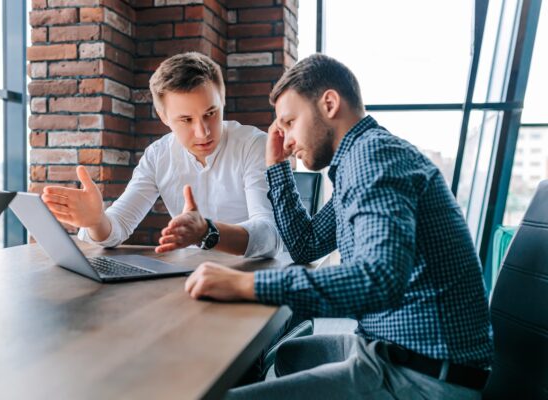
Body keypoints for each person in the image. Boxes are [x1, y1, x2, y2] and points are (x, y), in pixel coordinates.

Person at [183, 54, 493, 399]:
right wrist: (277, 168)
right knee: (288, 354)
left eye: (290, 122)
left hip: (419, 376)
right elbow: (306, 245)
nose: (286, 141)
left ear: (329, 103)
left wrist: (247, 284)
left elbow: (378, 279)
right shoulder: (358, 161)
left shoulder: (374, 156)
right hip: (386, 349)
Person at [41, 52, 282, 258]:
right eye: (186, 119)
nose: (203, 132)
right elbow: (119, 226)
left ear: (222, 100)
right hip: (190, 279)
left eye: (211, 113)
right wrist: (95, 221)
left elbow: (270, 235)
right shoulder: (158, 156)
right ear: (164, 116)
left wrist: (206, 231)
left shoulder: (253, 144)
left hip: (252, 278)